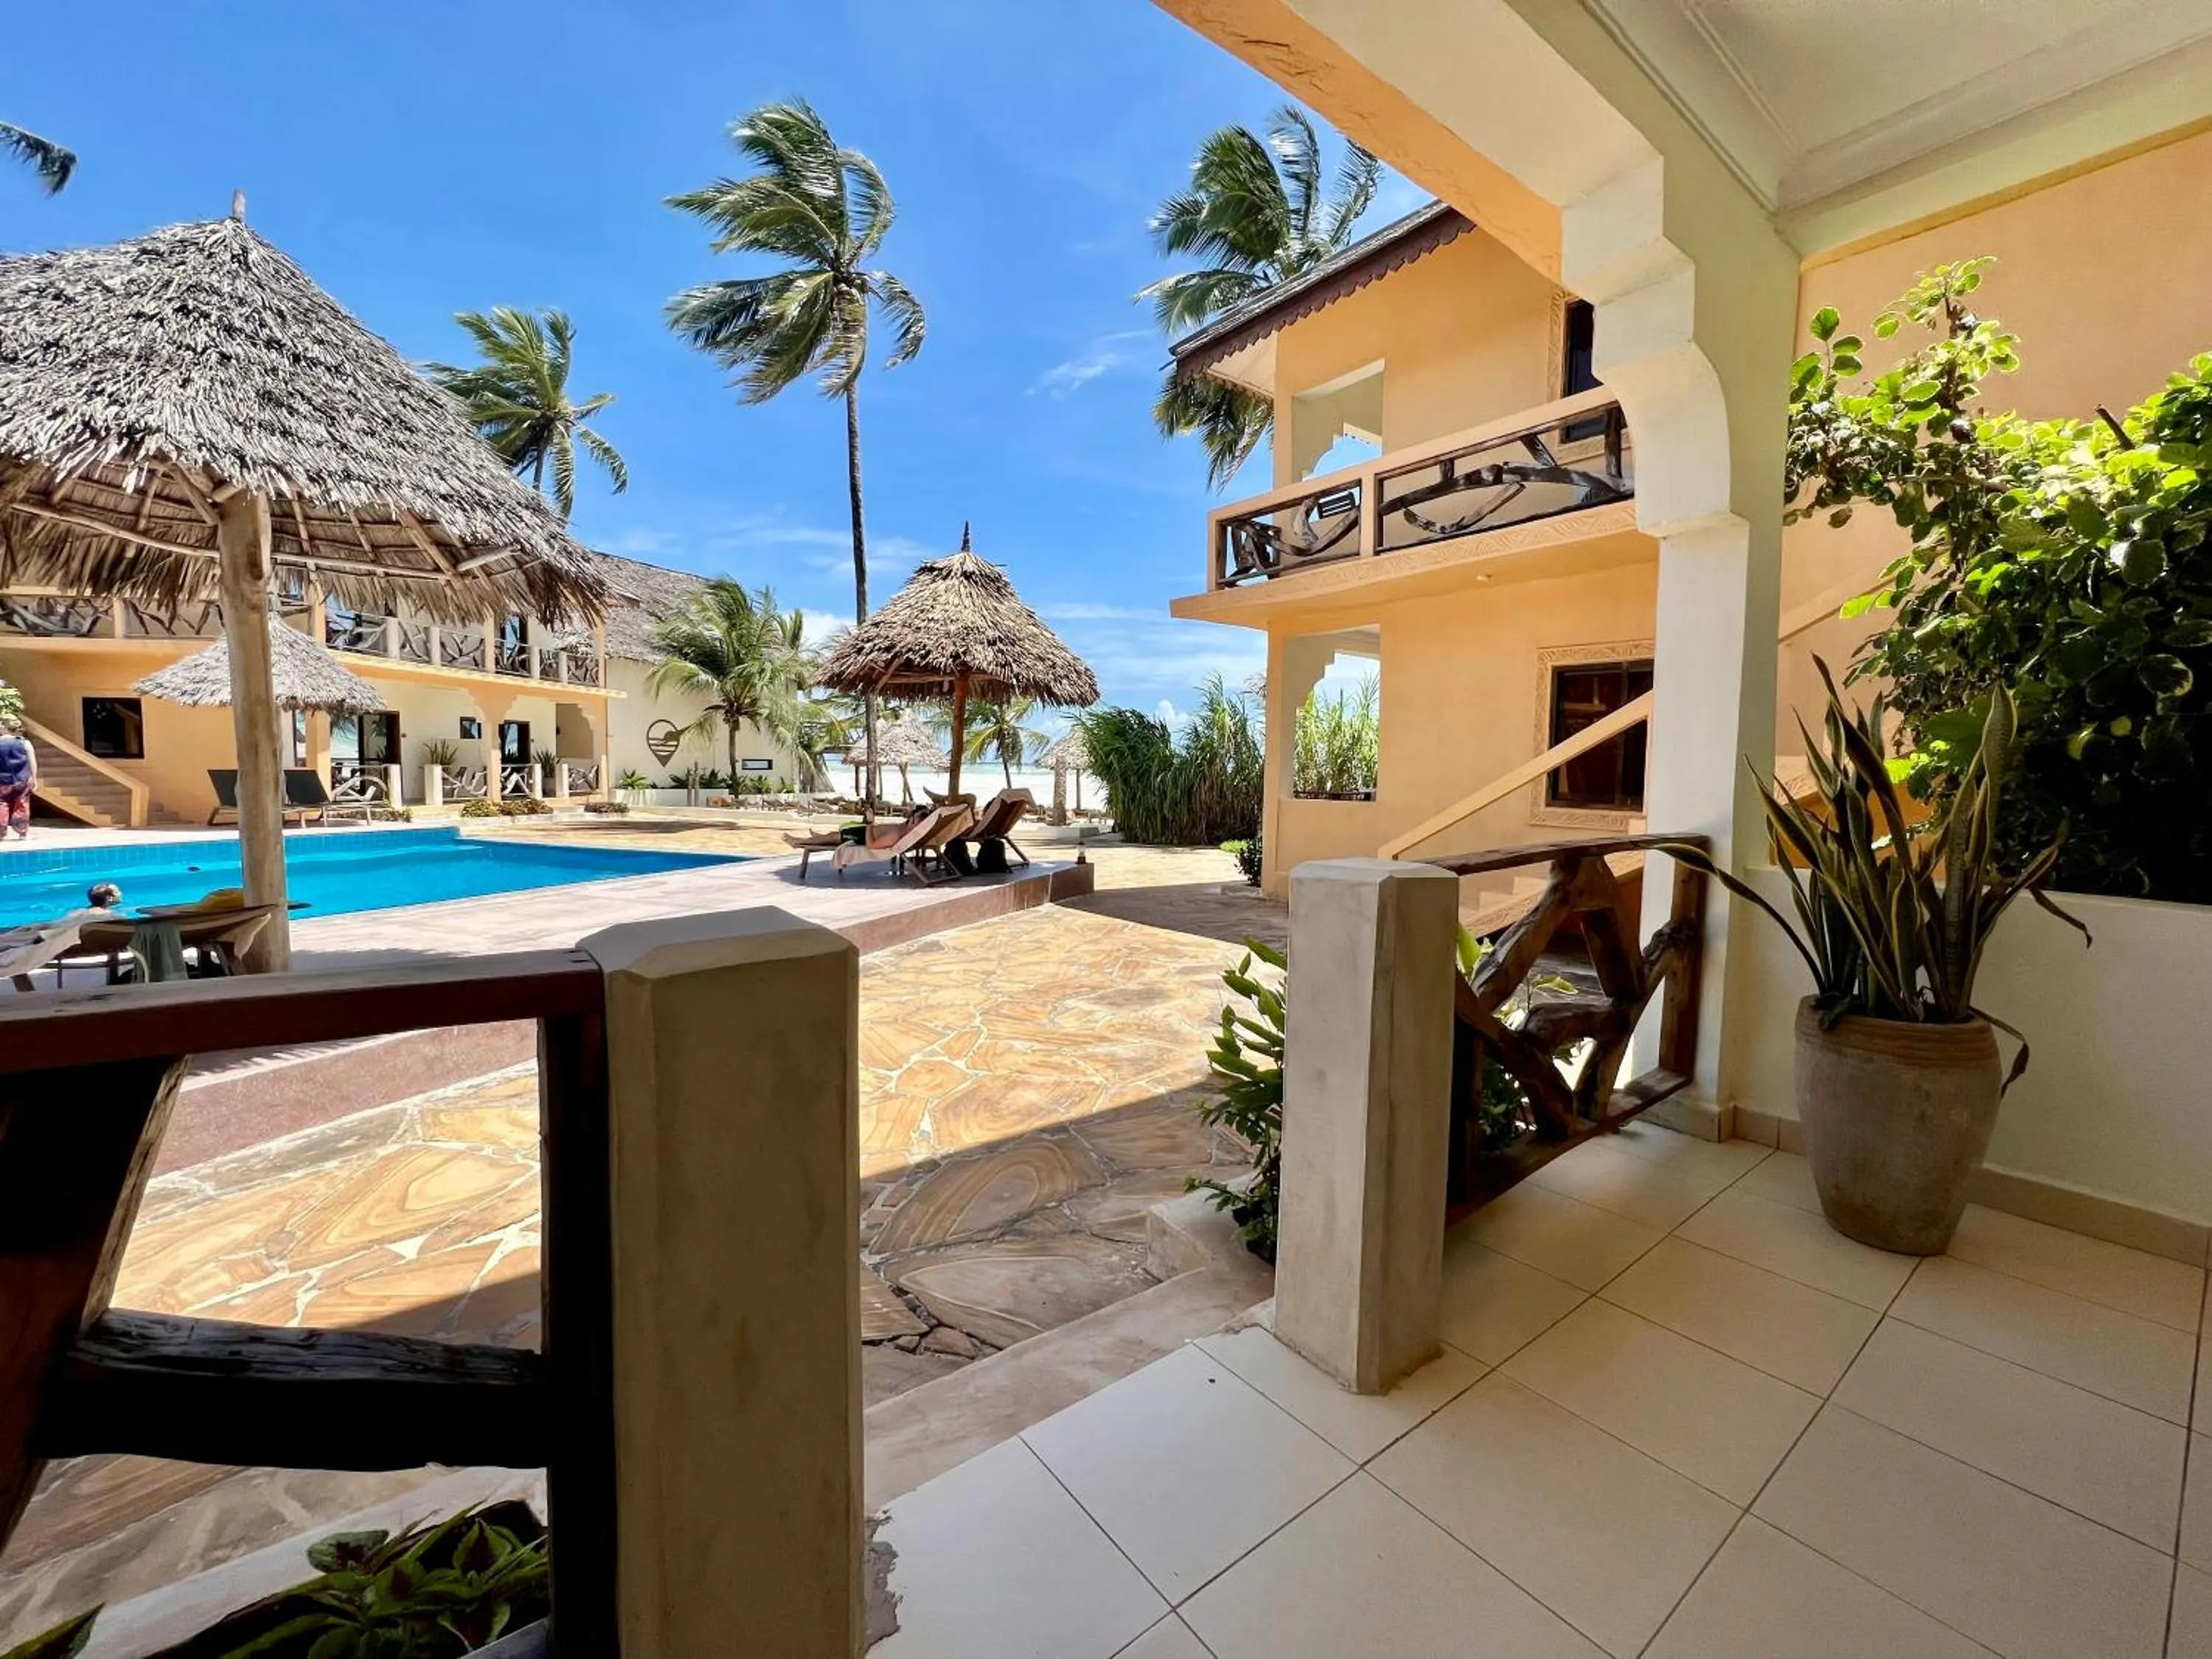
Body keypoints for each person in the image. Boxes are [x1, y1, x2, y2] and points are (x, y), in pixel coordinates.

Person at [0, 720, 35, 840]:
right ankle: (22, 833)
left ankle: (1, 833)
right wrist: (34, 777)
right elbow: (32, 762)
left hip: (2, 780)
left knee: (2, 804)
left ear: (5, 728)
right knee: (22, 804)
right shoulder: (25, 743)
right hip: (22, 779)